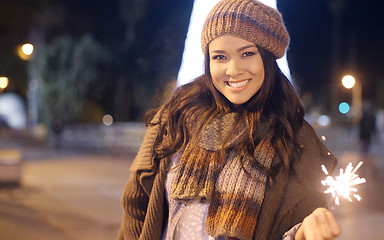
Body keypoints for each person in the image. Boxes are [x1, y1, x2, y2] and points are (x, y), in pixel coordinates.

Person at [118, 0, 341, 239]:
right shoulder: (173, 117)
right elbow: (136, 205)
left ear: (267, 57)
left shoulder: (296, 140)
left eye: (247, 54)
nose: (233, 70)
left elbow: (300, 225)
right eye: (220, 57)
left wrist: (303, 233)